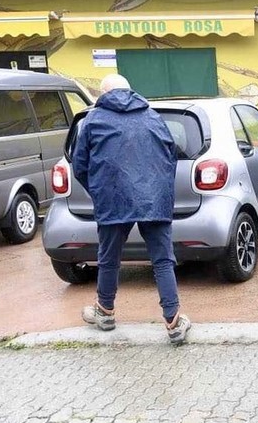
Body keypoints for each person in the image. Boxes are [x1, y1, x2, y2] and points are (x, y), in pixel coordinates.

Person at [71, 74, 191, 345]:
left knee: (108, 258)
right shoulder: (152, 117)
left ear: (104, 93)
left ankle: (105, 312)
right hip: (154, 198)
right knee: (163, 260)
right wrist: (159, 191)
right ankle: (173, 322)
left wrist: (100, 191)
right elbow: (170, 157)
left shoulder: (93, 120)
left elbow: (80, 166)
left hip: (112, 198)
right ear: (129, 90)